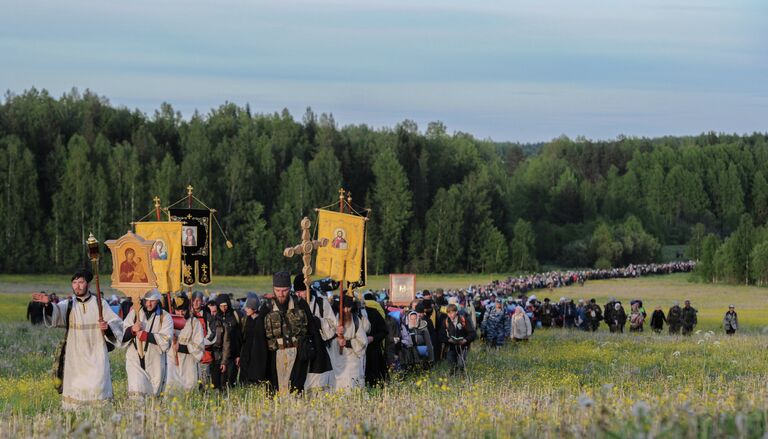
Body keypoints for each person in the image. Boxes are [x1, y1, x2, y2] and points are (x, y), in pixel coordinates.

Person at [31, 269, 124, 409]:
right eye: (74, 282)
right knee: (76, 393)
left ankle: (99, 422)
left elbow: (116, 324)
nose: (77, 286)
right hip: (75, 358)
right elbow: (56, 313)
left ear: (88, 284)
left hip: (96, 355)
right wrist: (48, 305)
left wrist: (107, 327)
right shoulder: (69, 304)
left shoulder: (100, 304)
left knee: (98, 390)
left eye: (81, 282)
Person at [260, 271, 316, 394]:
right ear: (273, 289)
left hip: (298, 355)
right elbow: (258, 337)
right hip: (275, 355)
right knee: (276, 391)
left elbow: (312, 330)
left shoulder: (300, 304)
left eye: (284, 290)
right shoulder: (267, 307)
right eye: (278, 290)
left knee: (296, 391)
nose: (281, 294)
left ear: (290, 289)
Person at [122, 290, 173, 398]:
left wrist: (146, 336)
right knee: (136, 394)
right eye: (147, 300)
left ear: (158, 300)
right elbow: (121, 336)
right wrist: (132, 330)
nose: (149, 304)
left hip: (155, 360)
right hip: (135, 359)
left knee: (153, 396)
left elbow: (166, 341)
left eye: (152, 301)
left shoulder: (165, 317)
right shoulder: (134, 314)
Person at [293, 274, 335, 393]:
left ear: (308, 289)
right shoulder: (294, 305)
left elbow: (333, 326)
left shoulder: (321, 303)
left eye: (301, 291)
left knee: (318, 386)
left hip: (319, 351)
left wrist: (319, 322)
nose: (299, 295)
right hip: (299, 351)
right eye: (297, 292)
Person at [166, 294, 206, 392]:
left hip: (188, 362)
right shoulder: (169, 322)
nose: (180, 313)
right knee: (172, 388)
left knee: (189, 387)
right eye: (178, 310)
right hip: (172, 361)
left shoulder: (194, 323)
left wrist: (181, 347)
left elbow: (199, 345)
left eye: (183, 310)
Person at [328, 294, 368, 390]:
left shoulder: (356, 320)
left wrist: (347, 343)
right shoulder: (332, 319)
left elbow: (363, 342)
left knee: (351, 387)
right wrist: (335, 333)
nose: (346, 310)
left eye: (348, 307)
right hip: (334, 359)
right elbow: (324, 335)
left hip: (351, 361)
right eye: (344, 307)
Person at [210, 294, 241, 389]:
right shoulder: (215, 317)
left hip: (232, 353)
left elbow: (239, 336)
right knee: (218, 380)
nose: (224, 308)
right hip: (219, 354)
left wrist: (238, 354)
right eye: (221, 306)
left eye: (226, 305)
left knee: (230, 379)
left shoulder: (234, 315)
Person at [238, 294, 268, 386]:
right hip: (246, 353)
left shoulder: (261, 320)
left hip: (257, 353)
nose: (246, 309)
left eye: (248, 308)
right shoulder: (246, 320)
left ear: (254, 308)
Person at [363, 291, 389, 387]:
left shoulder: (373, 312)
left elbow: (384, 331)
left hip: (373, 351)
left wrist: (373, 338)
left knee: (374, 381)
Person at [443, 304, 476, 375]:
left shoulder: (464, 320)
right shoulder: (446, 321)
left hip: (463, 346)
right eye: (448, 313)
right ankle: (452, 379)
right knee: (452, 366)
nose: (450, 315)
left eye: (452, 313)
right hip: (451, 346)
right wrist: (448, 340)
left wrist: (465, 340)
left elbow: (473, 334)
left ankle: (462, 377)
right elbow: (441, 335)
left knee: (461, 364)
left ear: (456, 312)